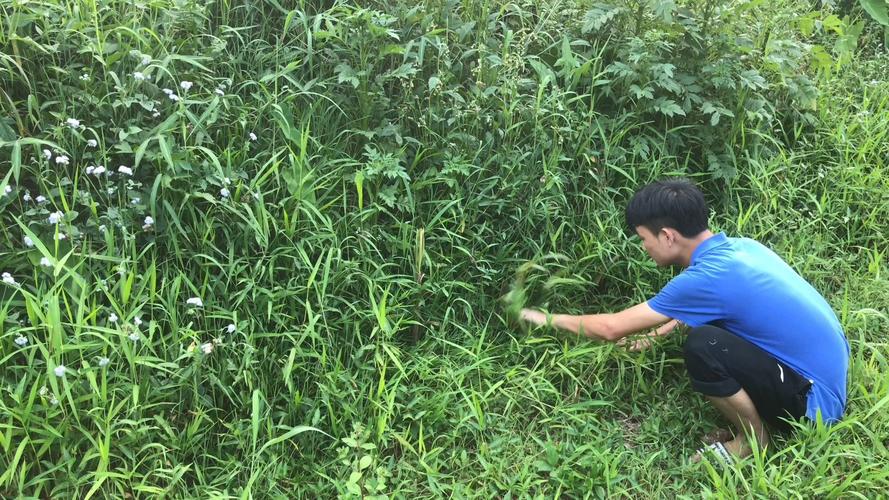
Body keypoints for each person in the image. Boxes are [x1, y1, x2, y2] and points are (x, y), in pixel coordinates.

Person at [519, 178, 849, 463]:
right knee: (711, 332)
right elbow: (708, 306)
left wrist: (543, 317)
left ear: (667, 236)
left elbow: (610, 328)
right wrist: (656, 335)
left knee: (705, 345)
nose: (644, 248)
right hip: (826, 376)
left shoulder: (706, 278)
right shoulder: (741, 248)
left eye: (643, 239)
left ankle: (752, 441)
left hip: (814, 408)